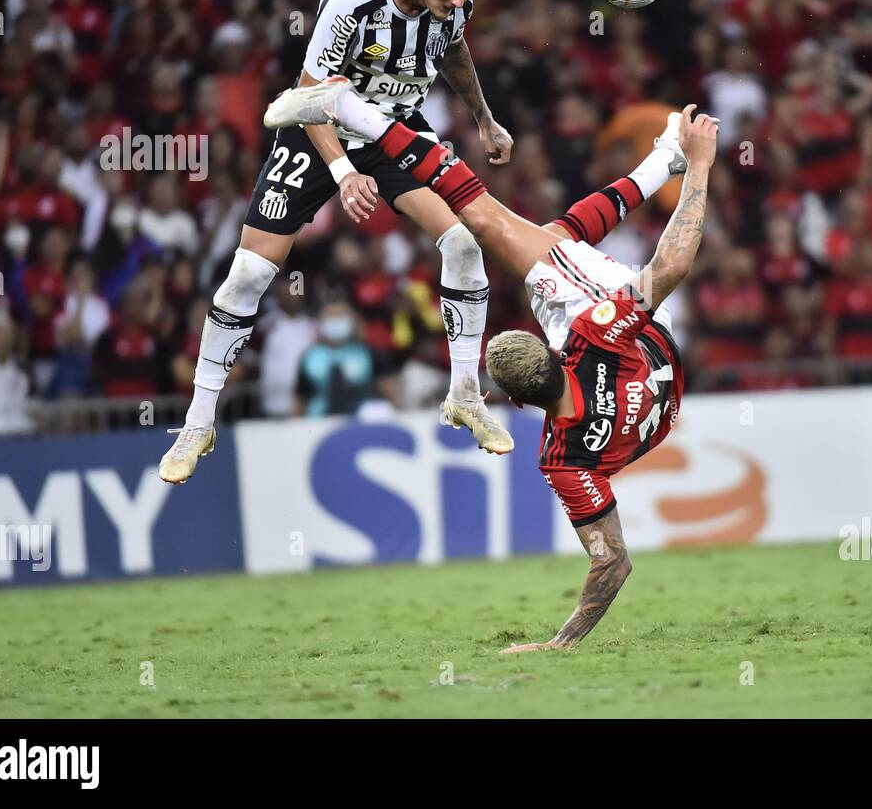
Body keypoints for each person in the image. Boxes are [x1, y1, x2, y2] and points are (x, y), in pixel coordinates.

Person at [265, 77, 714, 650]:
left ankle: (661, 160)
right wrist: (700, 166)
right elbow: (672, 265)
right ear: (552, 355)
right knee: (491, 225)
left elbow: (614, 564)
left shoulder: (562, 460)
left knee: (545, 238)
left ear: (524, 405)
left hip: (667, 383)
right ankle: (356, 113)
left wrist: (561, 643)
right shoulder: (592, 335)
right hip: (634, 336)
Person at [160, 0, 514, 483]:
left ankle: (466, 396)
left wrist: (483, 117)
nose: (460, 0)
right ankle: (197, 424)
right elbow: (310, 92)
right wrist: (344, 171)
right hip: (316, 126)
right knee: (248, 275)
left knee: (465, 242)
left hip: (393, 129)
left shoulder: (453, 9)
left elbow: (453, 52)